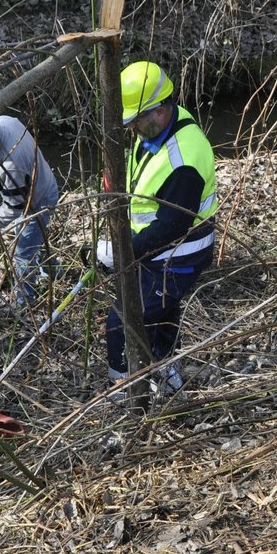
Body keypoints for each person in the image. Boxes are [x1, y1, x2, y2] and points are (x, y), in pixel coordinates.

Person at [97, 61, 219, 397]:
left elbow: (172, 225)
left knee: (123, 322)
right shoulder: (154, 132)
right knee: (162, 311)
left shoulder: (185, 160)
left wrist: (122, 253)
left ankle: (122, 393)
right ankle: (165, 373)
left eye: (137, 120)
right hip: (162, 248)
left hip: (179, 254)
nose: (133, 128)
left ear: (161, 111)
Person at [0, 110, 60, 308]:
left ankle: (24, 304)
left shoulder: (11, 165)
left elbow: (14, 210)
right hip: (39, 182)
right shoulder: (5, 121)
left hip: (38, 200)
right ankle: (52, 270)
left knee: (22, 252)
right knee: (31, 237)